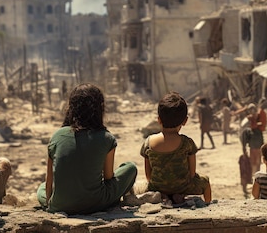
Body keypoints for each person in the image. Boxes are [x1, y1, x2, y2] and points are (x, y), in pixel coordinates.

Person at [37, 83, 137, 214]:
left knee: (41, 189)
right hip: (95, 203)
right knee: (130, 168)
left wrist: (51, 206)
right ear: (100, 108)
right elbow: (108, 178)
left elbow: (49, 180)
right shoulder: (106, 138)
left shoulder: (57, 136)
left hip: (59, 205)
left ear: (71, 108)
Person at [140, 91, 212, 204]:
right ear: (185, 121)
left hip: (157, 187)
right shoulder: (187, 143)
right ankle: (208, 205)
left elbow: (148, 175)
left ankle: (165, 196)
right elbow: (192, 174)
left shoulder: (149, 142)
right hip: (183, 187)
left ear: (159, 119)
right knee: (205, 181)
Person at [239, 103, 267, 174]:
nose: (252, 111)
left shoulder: (256, 119)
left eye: (253, 110)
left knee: (256, 162)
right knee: (255, 162)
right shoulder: (250, 120)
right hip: (254, 144)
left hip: (256, 144)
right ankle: (254, 175)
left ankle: (255, 176)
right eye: (251, 110)